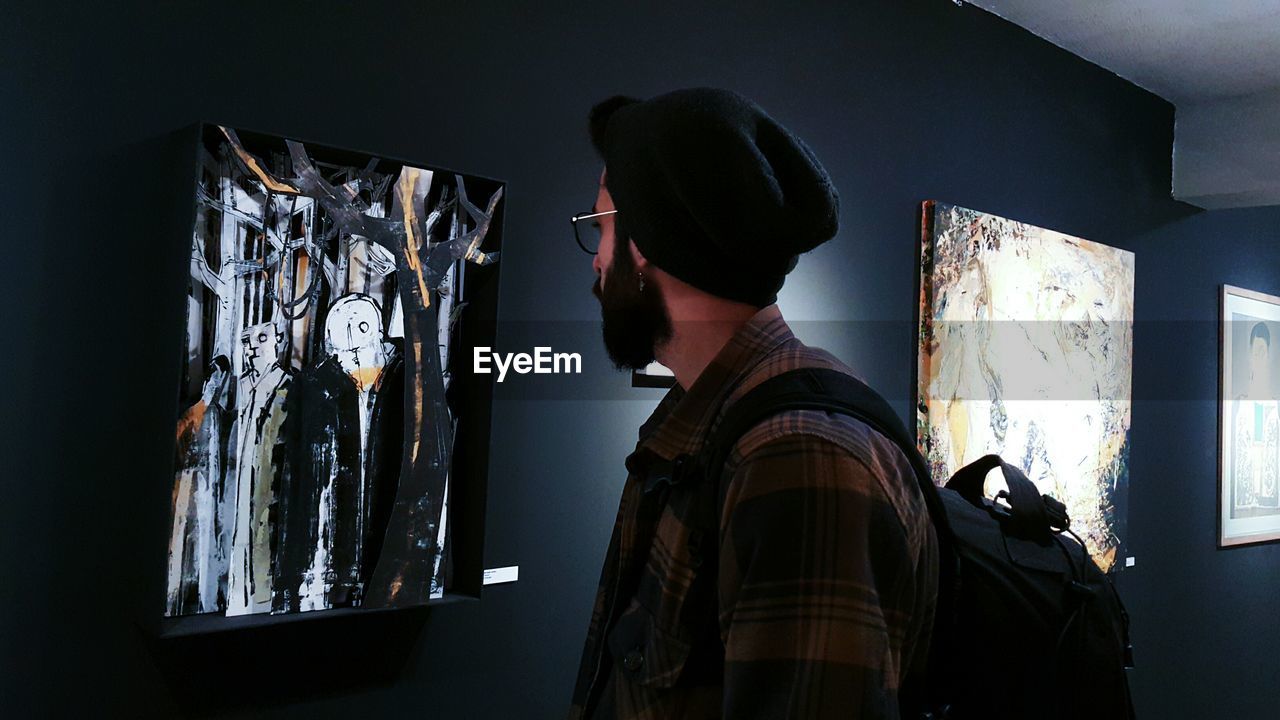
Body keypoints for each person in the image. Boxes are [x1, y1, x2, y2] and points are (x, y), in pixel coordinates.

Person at [567, 87, 939, 719]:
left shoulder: (800, 461)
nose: (596, 261)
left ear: (647, 245)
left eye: (601, 226)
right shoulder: (714, 419)